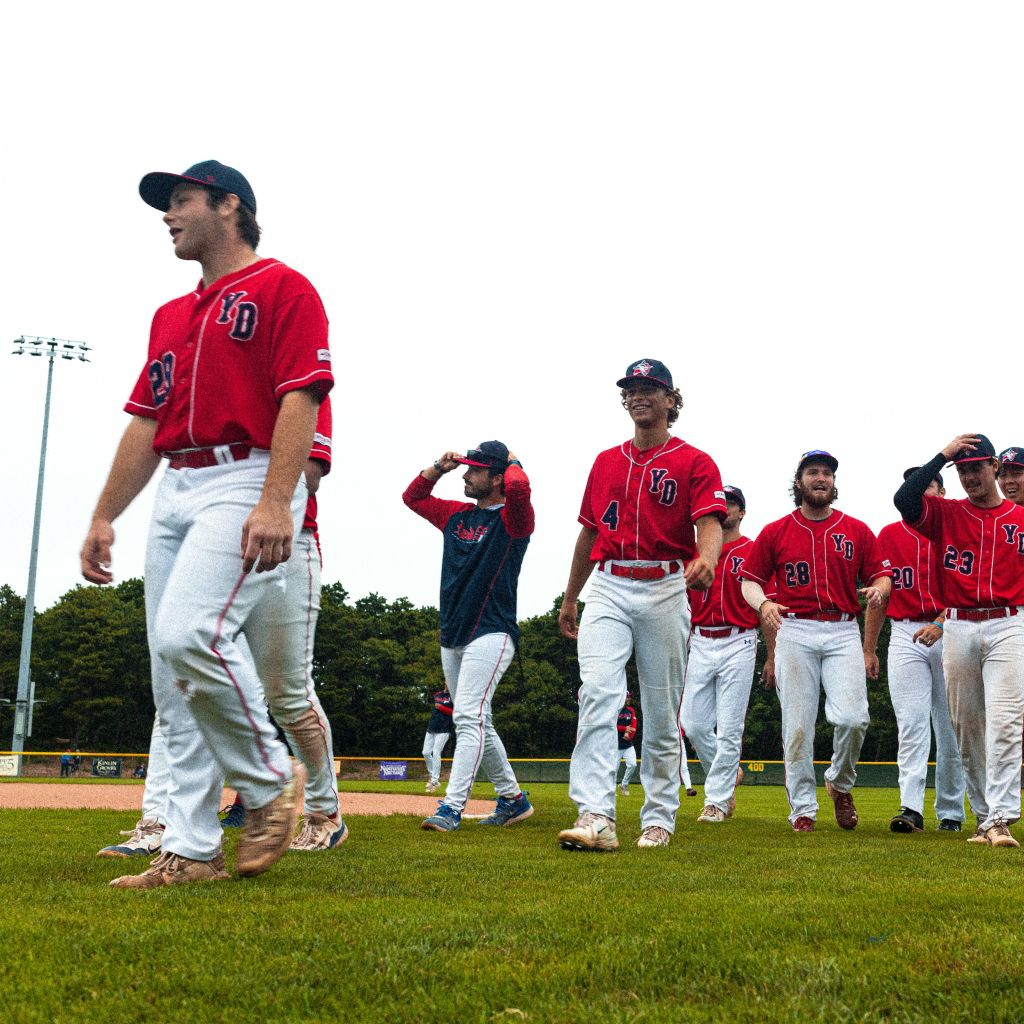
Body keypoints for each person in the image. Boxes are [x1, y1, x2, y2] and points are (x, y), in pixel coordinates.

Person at [80, 160, 333, 888]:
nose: (168, 213)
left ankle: (264, 782)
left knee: (193, 633)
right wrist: (104, 513)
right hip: (177, 484)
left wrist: (277, 498)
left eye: (182, 200)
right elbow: (145, 421)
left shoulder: (286, 286)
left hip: (244, 473)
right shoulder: (171, 314)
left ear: (231, 206)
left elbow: (301, 398)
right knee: (175, 674)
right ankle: (191, 851)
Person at [97, 409, 345, 858]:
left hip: (289, 543)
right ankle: (161, 820)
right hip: (212, 537)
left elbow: (308, 473)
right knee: (183, 675)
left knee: (288, 695)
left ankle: (324, 812)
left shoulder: (296, 387)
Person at [557, 359, 725, 851]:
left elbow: (709, 520)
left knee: (659, 704)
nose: (639, 395)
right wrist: (572, 596)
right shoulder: (606, 460)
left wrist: (708, 557)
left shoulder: (695, 460)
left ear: (672, 400)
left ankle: (659, 816)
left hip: (664, 584)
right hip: (608, 584)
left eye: (650, 387)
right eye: (631, 388)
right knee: (597, 695)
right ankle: (595, 815)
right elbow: (589, 531)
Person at [741, 450, 890, 833]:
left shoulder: (855, 529)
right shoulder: (776, 531)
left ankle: (839, 783)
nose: (821, 478)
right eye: (813, 472)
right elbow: (749, 581)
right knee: (798, 725)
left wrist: (878, 589)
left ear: (834, 483)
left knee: (854, 719)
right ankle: (803, 809)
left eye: (827, 473)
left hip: (842, 629)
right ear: (799, 482)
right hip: (796, 629)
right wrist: (764, 603)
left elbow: (882, 576)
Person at [895, 435, 1024, 848]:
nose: (969, 475)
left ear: (995, 471)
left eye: (977, 467)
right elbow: (905, 499)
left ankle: (1002, 816)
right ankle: (985, 817)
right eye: (963, 469)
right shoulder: (947, 514)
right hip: (958, 625)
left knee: (1005, 719)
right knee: (967, 724)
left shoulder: (1020, 518)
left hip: (1009, 623)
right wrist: (943, 455)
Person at [403, 441, 535, 832]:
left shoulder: (514, 520)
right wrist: (438, 467)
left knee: (468, 716)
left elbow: (522, 489)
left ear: (497, 478)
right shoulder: (456, 515)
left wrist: (512, 461)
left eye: (475, 470)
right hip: (454, 631)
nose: (466, 475)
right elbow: (413, 497)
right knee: (478, 719)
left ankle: (451, 807)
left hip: (492, 630)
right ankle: (513, 799)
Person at [864, 467, 966, 835]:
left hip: (951, 629)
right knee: (911, 724)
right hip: (905, 631)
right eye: (916, 487)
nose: (922, 492)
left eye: (929, 485)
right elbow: (878, 596)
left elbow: (968, 589)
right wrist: (869, 649)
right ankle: (910, 807)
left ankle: (952, 811)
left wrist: (941, 622)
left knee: (950, 725)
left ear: (942, 492)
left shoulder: (957, 531)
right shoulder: (889, 535)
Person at [681, 484, 765, 823]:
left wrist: (771, 656)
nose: (726, 509)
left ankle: (716, 801)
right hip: (700, 639)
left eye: (732, 504)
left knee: (730, 727)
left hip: (739, 638)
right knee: (692, 722)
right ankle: (730, 775)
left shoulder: (754, 549)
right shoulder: (698, 553)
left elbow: (764, 603)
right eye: (722, 504)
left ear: (742, 511)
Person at [423, 689, 454, 793]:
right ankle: (432, 775)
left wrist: (442, 708)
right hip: (432, 727)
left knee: (436, 752)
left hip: (444, 729)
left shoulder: (454, 696)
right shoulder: (437, 694)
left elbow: (455, 712)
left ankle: (435, 781)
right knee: (426, 752)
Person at [617, 695, 638, 796]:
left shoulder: (630, 710)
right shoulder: (614, 709)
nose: (628, 698)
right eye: (626, 697)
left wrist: (629, 736)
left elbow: (634, 725)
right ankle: (610, 790)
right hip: (615, 745)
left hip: (627, 744)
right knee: (613, 769)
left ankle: (624, 785)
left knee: (633, 764)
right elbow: (611, 725)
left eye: (629, 697)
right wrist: (624, 728)